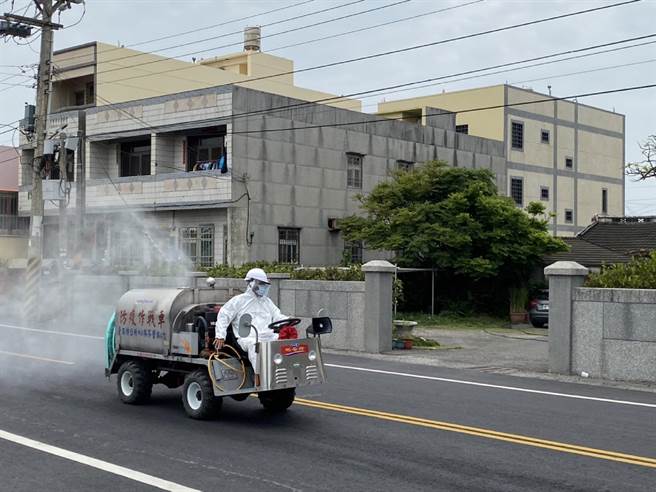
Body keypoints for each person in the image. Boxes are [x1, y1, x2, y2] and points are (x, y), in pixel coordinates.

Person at [213, 268, 289, 374]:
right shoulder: (239, 301)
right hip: (247, 339)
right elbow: (224, 315)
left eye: (264, 284)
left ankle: (283, 373)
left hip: (267, 336)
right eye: (261, 283)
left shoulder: (267, 302)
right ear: (250, 283)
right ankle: (261, 377)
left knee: (287, 344)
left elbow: (277, 316)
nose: (263, 287)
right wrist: (220, 335)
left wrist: (288, 322)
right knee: (255, 346)